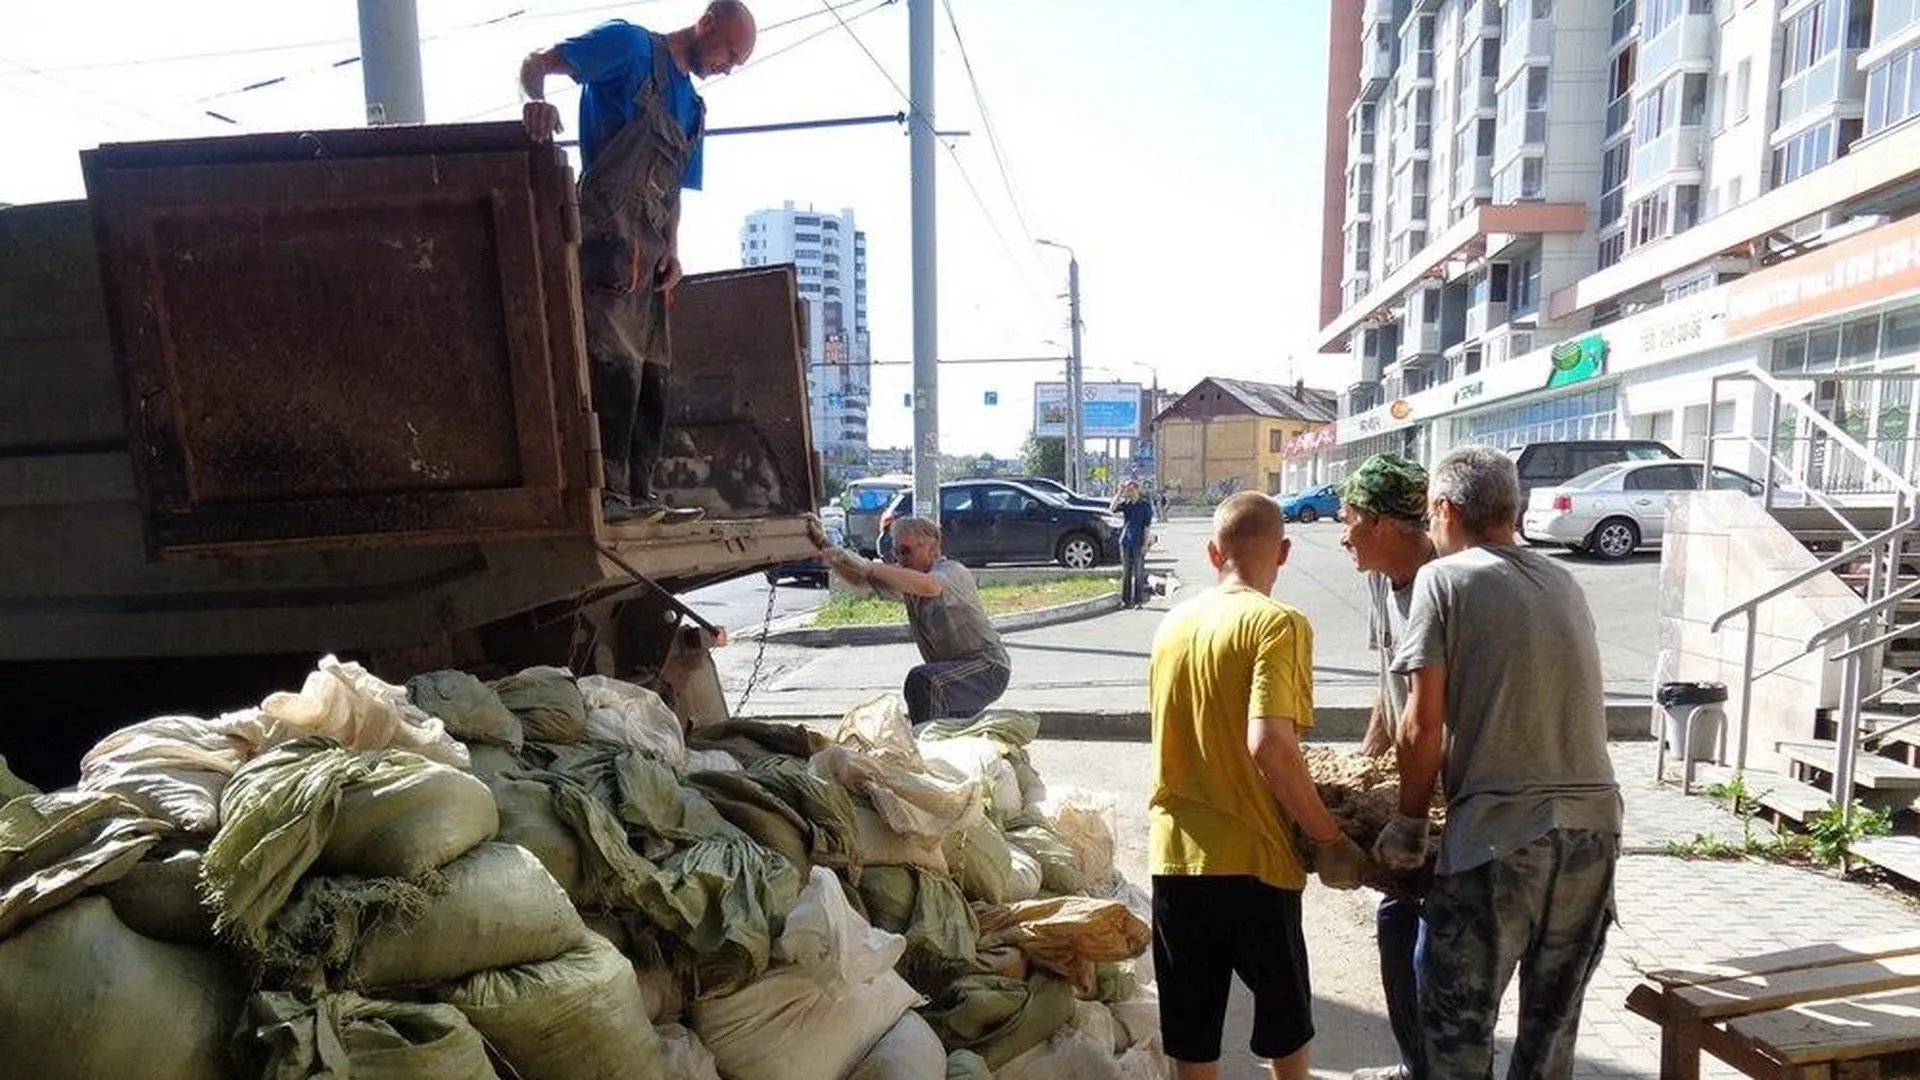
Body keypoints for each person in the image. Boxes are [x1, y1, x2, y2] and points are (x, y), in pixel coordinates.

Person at [1372, 445, 1622, 1080]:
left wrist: (1408, 824)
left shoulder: (1445, 578)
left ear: (1445, 509)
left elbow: (1421, 721)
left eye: (1431, 517)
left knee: (1455, 1028)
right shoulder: (1563, 579)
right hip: (1594, 834)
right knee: (1550, 1030)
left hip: (1500, 841)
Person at [1147, 490, 1370, 1080]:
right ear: (1286, 551)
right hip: (1255, 860)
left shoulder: (1173, 625)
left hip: (1174, 856)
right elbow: (1271, 744)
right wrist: (1328, 837)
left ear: (1211, 550)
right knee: (1286, 1025)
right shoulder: (1278, 623)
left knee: (1192, 1034)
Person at [520, 1, 758, 525]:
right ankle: (609, 493)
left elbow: (673, 191)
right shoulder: (628, 47)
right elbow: (535, 62)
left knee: (652, 371)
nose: (728, 67)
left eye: (737, 63)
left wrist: (673, 250)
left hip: (651, 250)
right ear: (707, 22)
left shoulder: (693, 108)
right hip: (606, 230)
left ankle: (640, 492)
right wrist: (535, 103)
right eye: (730, 54)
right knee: (612, 363)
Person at [1337, 454, 1438, 1080]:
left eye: (1349, 518)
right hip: (1410, 779)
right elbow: (1390, 682)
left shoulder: (1447, 583)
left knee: (1431, 938)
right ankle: (1416, 1065)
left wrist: (1417, 808)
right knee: (1397, 920)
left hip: (1451, 791)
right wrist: (1366, 761)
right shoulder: (1379, 577)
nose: (1342, 532)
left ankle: (1439, 1067)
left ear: (1380, 522)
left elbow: (1436, 713)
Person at [815, 515, 1011, 724]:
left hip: (987, 667)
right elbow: (861, 581)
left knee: (923, 681)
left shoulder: (952, 571)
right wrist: (826, 548)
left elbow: (930, 587)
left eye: (906, 551)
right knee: (948, 723)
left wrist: (868, 565)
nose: (900, 558)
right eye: (896, 552)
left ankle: (923, 748)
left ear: (932, 549)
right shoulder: (910, 583)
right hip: (952, 673)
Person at [1110, 479, 1156, 608]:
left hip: (1139, 542)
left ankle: (1138, 601)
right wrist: (1119, 493)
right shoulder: (1126, 504)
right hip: (1125, 542)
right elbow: (1111, 508)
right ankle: (1125, 601)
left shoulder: (1145, 505)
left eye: (1130, 489)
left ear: (1137, 489)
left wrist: (1145, 544)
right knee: (1126, 572)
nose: (1128, 492)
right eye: (1127, 490)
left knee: (1139, 572)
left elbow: (1147, 526)